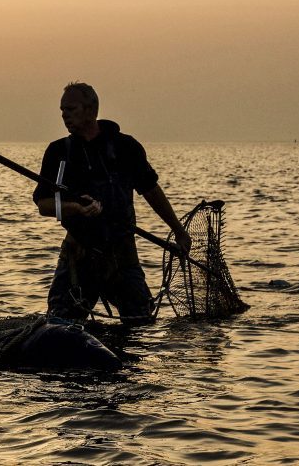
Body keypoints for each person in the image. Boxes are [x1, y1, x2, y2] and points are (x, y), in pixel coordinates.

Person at [33, 82, 191, 324]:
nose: (64, 115)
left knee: (140, 322)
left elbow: (151, 190)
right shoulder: (58, 152)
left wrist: (178, 231)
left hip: (122, 254)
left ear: (91, 110)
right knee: (59, 324)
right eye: (62, 110)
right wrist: (75, 208)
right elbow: (44, 205)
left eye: (71, 109)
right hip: (79, 254)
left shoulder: (126, 147)